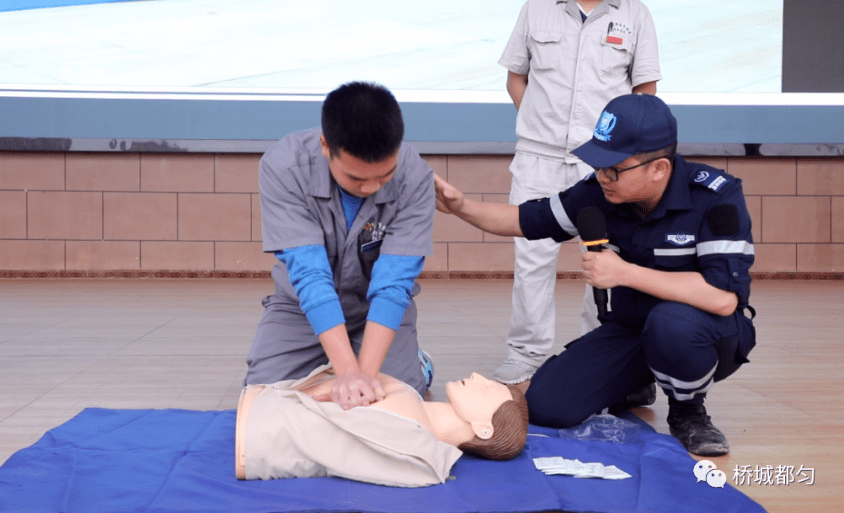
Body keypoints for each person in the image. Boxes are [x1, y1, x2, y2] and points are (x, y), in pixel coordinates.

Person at [434, 94, 756, 456]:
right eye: (598, 163)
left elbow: (722, 297)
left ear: (659, 169)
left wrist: (625, 273)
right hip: (631, 330)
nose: (602, 176)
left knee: (672, 323)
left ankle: (688, 410)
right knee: (547, 405)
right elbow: (524, 220)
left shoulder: (715, 195)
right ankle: (633, 382)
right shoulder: (600, 192)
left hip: (707, 332)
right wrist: (461, 208)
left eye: (614, 168)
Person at [495, 0, 662, 385]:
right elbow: (515, 77)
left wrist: (626, 154)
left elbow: (645, 92)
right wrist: (534, 121)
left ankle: (600, 352)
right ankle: (526, 355)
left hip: (603, 162)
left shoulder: (635, 14)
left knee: (605, 260)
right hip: (538, 156)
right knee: (532, 260)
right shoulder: (536, 8)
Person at [244, 81, 436, 409]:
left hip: (374, 307)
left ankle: (414, 362)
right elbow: (310, 276)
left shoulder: (415, 175)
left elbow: (394, 284)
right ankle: (338, 358)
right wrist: (348, 372)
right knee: (264, 397)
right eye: (356, 178)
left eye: (385, 174)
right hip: (300, 309)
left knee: (395, 399)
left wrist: (365, 378)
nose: (372, 186)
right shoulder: (284, 166)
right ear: (325, 145)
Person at [235, 367, 529, 486]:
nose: (478, 375)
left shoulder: (420, 451)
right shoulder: (413, 415)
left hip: (262, 431)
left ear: (484, 429)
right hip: (265, 416)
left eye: (489, 389)